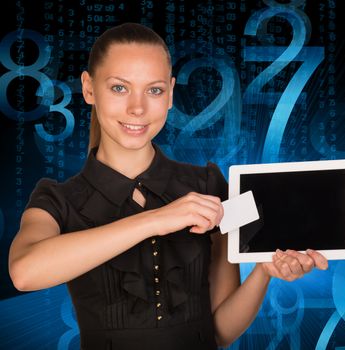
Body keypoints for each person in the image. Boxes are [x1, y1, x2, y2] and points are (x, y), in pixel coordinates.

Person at [8, 23, 328, 350]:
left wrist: (263, 273)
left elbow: (219, 332)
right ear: (89, 88)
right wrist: (156, 220)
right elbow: (25, 272)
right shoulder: (58, 199)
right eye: (119, 88)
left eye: (154, 90)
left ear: (171, 93)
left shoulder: (207, 185)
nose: (138, 108)